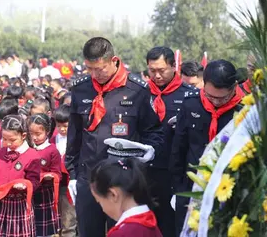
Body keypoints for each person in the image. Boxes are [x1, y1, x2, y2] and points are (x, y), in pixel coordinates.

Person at [65, 37, 164, 237]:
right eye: (89, 69)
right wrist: (73, 176)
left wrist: (149, 151)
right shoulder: (81, 89)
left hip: (123, 181)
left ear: (114, 60)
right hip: (88, 178)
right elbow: (74, 137)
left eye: (99, 69)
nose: (95, 74)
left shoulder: (137, 91)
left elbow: (153, 131)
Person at [170, 59, 244, 235]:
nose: (216, 102)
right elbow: (178, 149)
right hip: (191, 187)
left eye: (223, 97)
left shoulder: (243, 110)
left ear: (234, 87)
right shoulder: (191, 104)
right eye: (210, 96)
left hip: (227, 190)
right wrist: (179, 191)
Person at [146, 47, 197, 237]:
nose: (157, 76)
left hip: (174, 172)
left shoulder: (189, 96)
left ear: (174, 66)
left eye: (162, 70)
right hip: (144, 172)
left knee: (171, 226)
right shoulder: (141, 94)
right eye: (152, 71)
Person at [0, 115, 40, 236]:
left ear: (23, 136)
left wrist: (25, 186)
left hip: (20, 205)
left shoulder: (32, 155)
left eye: (12, 140)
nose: (7, 143)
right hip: (1, 203)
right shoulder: (0, 153)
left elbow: (34, 182)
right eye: (4, 139)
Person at [90, 138, 162, 237]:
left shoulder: (123, 233)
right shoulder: (148, 223)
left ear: (113, 194)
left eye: (100, 202)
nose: (103, 209)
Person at [29, 114, 62, 236]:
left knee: (43, 230)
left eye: (38, 134)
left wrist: (48, 176)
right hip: (29, 192)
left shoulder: (52, 150)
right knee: (30, 226)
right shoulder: (28, 148)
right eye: (31, 134)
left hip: (44, 194)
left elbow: (57, 174)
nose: (34, 137)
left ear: (47, 132)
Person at [51, 104, 77, 237]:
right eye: (59, 125)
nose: (61, 129)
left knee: (69, 220)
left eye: (65, 126)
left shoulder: (77, 140)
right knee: (59, 219)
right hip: (57, 184)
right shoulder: (53, 139)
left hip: (70, 184)